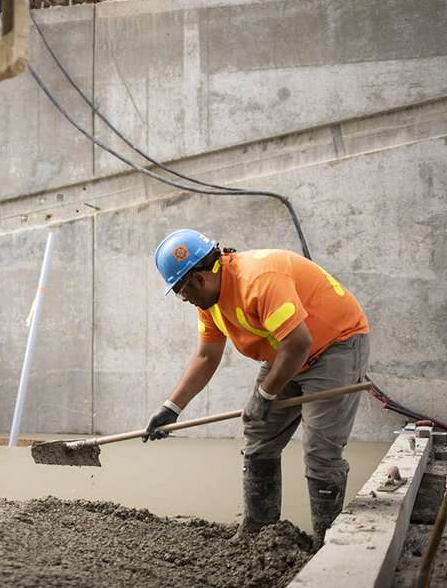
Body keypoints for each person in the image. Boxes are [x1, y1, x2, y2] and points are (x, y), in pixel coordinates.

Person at [144, 228, 369, 548]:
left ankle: (325, 541)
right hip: (286, 350)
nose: (183, 299)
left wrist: (266, 394)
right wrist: (171, 408)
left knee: (321, 449)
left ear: (197, 279)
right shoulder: (209, 303)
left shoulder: (257, 280)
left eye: (181, 291)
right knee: (259, 433)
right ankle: (259, 530)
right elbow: (207, 355)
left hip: (335, 345)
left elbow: (300, 342)